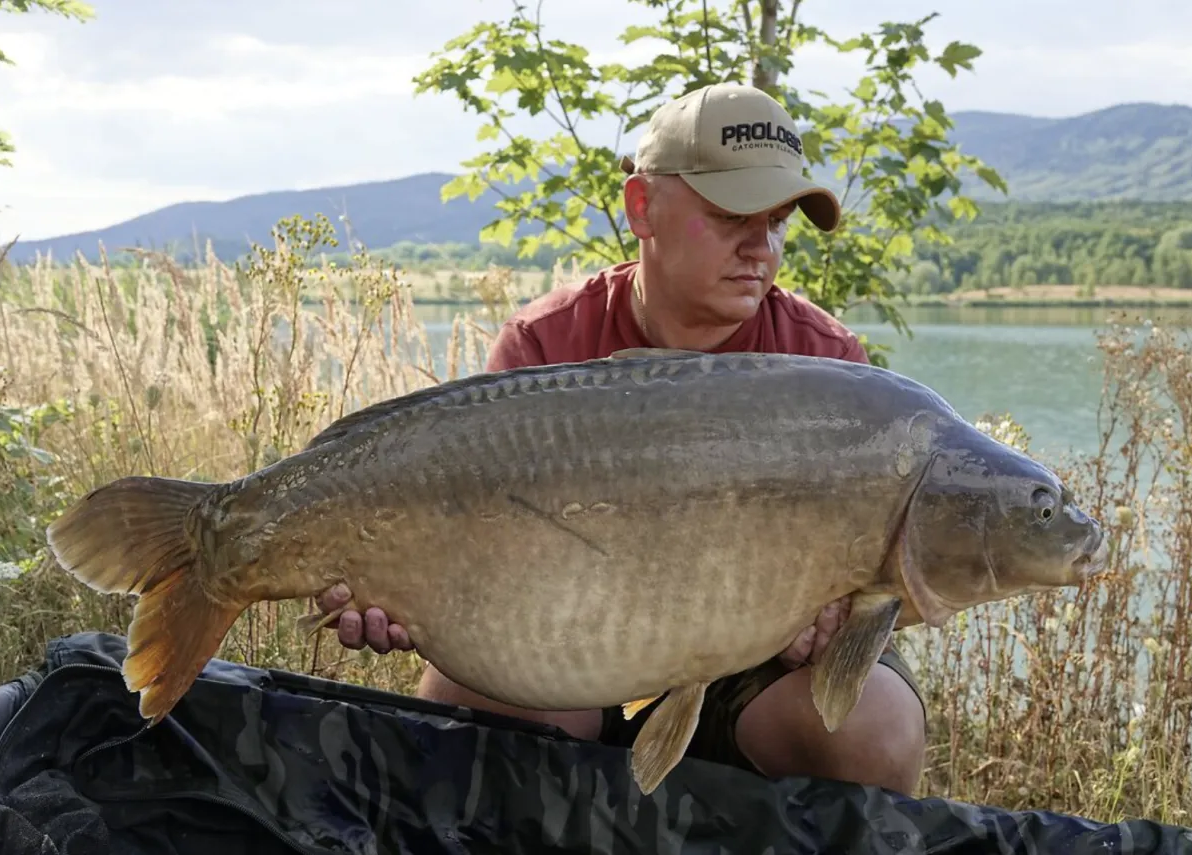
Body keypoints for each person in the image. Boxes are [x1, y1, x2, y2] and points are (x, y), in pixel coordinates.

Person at [315, 82, 928, 796]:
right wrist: (402, 591)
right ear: (643, 208)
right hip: (568, 630)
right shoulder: (548, 346)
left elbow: (879, 582)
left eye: (779, 220)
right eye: (732, 215)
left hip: (760, 659)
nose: (760, 248)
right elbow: (477, 549)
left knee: (876, 727)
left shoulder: (827, 367)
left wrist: (827, 617)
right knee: (469, 712)